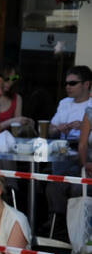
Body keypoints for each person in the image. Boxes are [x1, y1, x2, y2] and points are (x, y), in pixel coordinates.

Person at [44, 66, 92, 232]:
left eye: (73, 83)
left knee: (78, 186)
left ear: (86, 84)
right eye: (66, 83)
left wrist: (84, 127)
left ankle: (74, 226)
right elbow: (50, 129)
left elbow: (84, 144)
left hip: (86, 152)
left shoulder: (91, 106)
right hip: (64, 151)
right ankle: (57, 222)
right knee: (53, 183)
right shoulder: (64, 103)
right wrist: (59, 129)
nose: (68, 86)